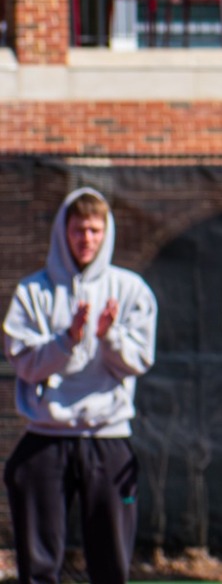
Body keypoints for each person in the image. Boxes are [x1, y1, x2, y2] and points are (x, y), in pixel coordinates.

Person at [3, 188, 156, 584]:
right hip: (45, 438)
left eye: (94, 230)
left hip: (108, 440)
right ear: (62, 232)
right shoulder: (32, 292)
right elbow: (24, 363)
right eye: (78, 230)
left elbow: (139, 360)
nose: (86, 239)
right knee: (38, 568)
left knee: (110, 564)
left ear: (106, 233)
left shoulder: (131, 290)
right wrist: (67, 338)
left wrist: (108, 337)